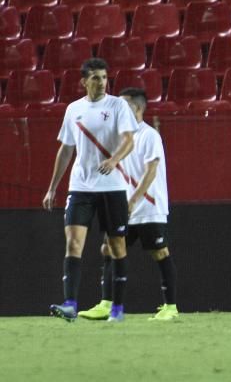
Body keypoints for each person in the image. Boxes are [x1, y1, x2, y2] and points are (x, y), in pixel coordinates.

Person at [43, 57, 137, 322]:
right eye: (96, 78)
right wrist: (52, 188)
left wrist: (114, 160)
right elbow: (66, 150)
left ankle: (117, 309)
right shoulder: (73, 109)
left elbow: (129, 140)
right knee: (73, 243)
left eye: (105, 77)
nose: (102, 82)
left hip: (113, 186)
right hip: (81, 186)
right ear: (84, 82)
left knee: (116, 247)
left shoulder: (118, 105)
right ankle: (70, 304)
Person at [78, 87, 178, 321]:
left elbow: (151, 171)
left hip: (148, 206)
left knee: (160, 252)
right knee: (110, 249)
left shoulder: (149, 135)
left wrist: (133, 200)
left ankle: (171, 307)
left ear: (138, 108)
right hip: (122, 206)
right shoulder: (118, 138)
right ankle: (105, 303)